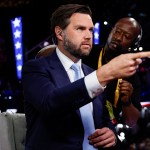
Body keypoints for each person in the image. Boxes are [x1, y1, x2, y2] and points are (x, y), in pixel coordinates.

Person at [22, 4, 150, 150]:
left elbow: (105, 121)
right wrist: (104, 74)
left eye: (91, 30)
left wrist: (111, 135)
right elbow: (51, 103)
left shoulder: (92, 73)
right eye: (80, 29)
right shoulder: (34, 68)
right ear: (59, 33)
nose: (89, 35)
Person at [97, 17, 143, 127]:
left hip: (105, 132)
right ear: (111, 31)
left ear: (133, 45)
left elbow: (131, 122)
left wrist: (127, 102)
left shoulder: (131, 76)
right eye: (117, 31)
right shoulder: (87, 54)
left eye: (126, 36)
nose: (118, 38)